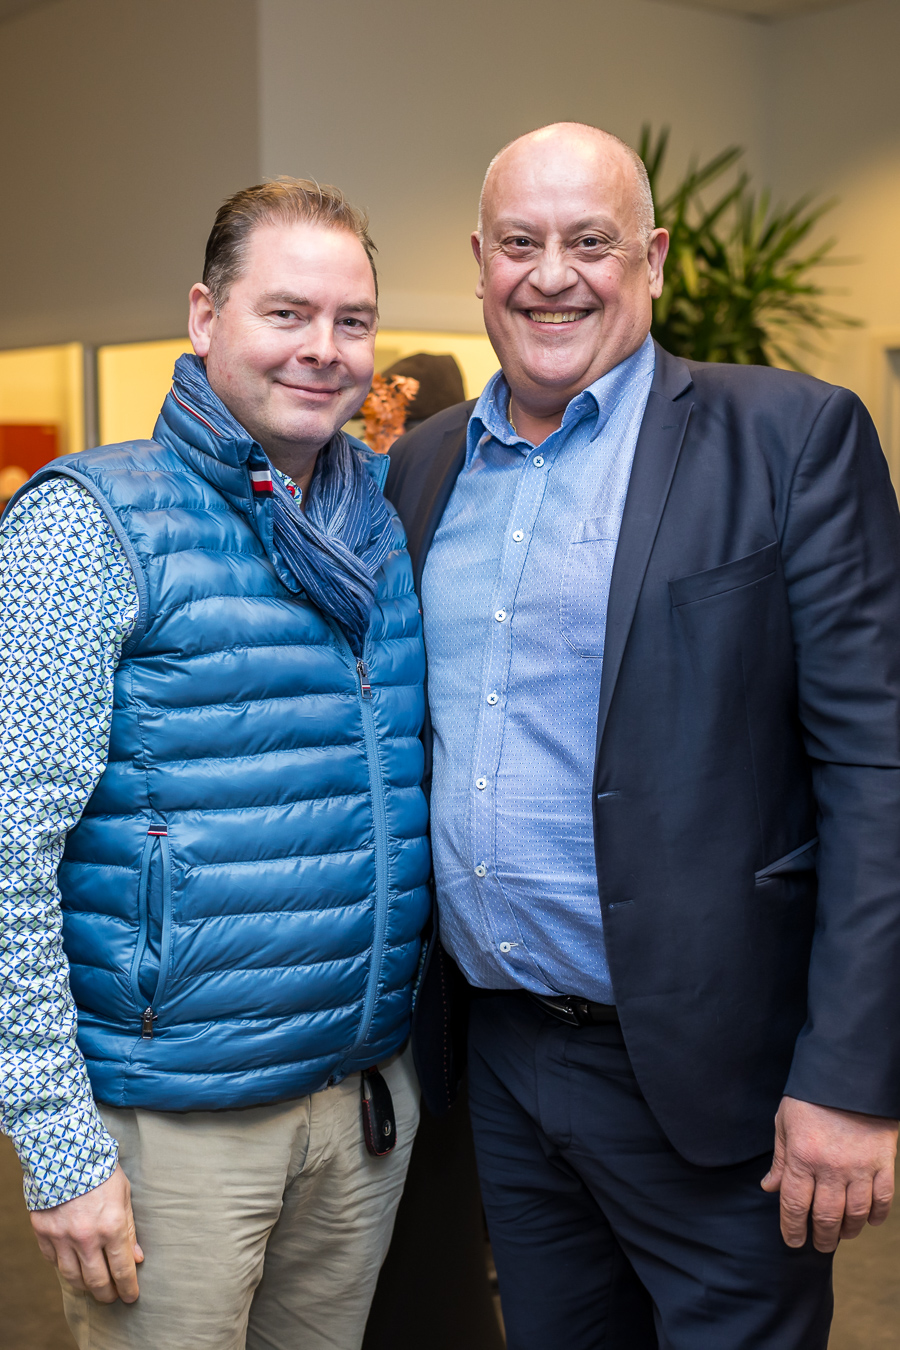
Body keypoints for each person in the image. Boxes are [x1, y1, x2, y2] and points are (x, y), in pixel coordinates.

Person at [385, 122, 900, 1349]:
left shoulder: (789, 438)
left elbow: (876, 773)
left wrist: (851, 1078)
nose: (551, 275)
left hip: (719, 1074)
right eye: (520, 243)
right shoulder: (421, 468)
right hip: (504, 1061)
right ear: (479, 261)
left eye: (591, 241)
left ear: (652, 259)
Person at [0, 177, 431, 1350]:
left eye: (351, 320)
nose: (324, 348)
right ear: (205, 317)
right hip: (175, 1124)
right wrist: (58, 1143)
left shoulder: (382, 524)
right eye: (287, 312)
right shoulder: (88, 523)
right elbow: (8, 851)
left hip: (358, 1104)